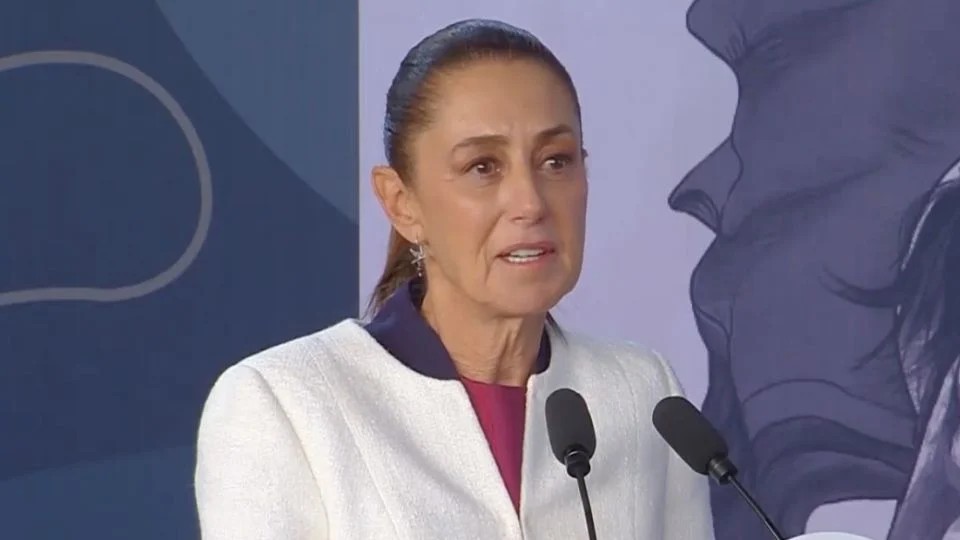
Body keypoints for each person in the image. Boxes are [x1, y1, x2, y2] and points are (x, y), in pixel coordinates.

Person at [194, 18, 713, 539]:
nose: (530, 202)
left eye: (556, 161)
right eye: (483, 167)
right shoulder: (282, 403)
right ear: (402, 202)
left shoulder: (644, 393)